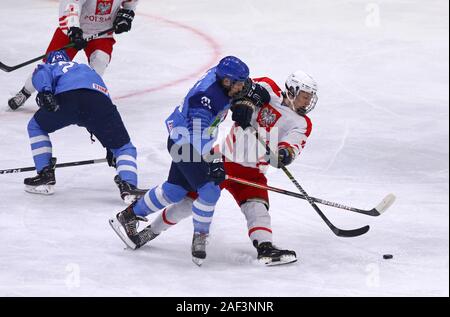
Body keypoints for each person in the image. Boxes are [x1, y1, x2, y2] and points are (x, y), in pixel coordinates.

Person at [133, 70, 318, 266]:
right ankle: (150, 231)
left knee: (257, 208)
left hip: (253, 172)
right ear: (292, 90)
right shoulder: (267, 86)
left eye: (310, 98)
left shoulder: (302, 123)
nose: (307, 102)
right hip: (222, 158)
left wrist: (284, 154)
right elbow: (242, 92)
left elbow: (293, 145)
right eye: (304, 96)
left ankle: (265, 248)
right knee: (188, 203)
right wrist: (245, 105)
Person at [109, 56, 253, 266]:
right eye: (238, 84)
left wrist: (244, 102)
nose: (242, 86)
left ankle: (127, 216)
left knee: (174, 191)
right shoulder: (204, 99)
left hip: (188, 139)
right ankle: (200, 238)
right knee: (210, 190)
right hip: (185, 143)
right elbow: (196, 135)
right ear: (226, 81)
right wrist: (213, 162)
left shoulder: (223, 76)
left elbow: (255, 89)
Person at [24, 50, 144, 203]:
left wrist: (46, 91)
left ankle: (45, 173)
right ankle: (129, 185)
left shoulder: (51, 66)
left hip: (67, 99)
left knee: (36, 126)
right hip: (99, 101)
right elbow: (97, 107)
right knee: (122, 147)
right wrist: (109, 145)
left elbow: (41, 74)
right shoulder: (86, 68)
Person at [8, 0, 138, 110]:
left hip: (102, 32)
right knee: (49, 66)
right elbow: (72, 4)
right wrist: (73, 30)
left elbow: (130, 2)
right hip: (74, 30)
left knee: (100, 60)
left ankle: (86, 95)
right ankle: (25, 92)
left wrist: (127, 13)